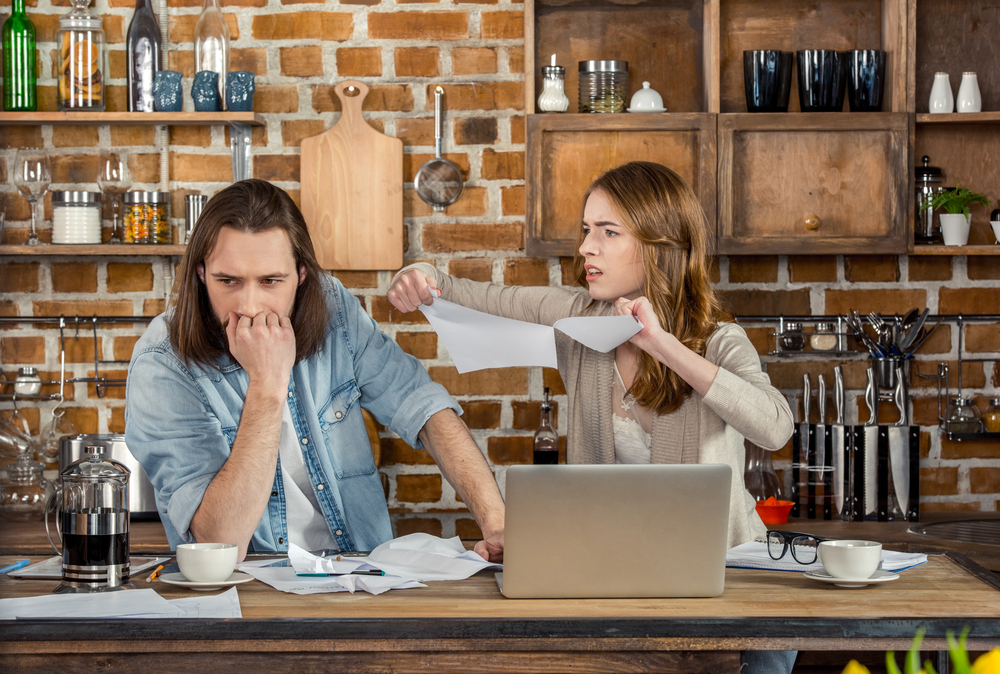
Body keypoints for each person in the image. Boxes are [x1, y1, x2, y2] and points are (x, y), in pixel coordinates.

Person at [388, 161, 795, 674]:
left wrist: (664, 347)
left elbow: (775, 426)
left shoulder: (719, 340)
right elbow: (482, 297)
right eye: (586, 230)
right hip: (616, 583)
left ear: (658, 244)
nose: (586, 247)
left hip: (731, 584)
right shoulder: (581, 322)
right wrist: (420, 277)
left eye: (607, 232)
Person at [125, 179, 504, 564]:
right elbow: (218, 541)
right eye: (229, 281)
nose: (250, 305)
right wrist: (267, 383)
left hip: (357, 576)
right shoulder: (163, 363)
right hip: (245, 595)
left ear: (302, 274)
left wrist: (497, 522)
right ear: (201, 274)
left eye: (271, 281)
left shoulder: (333, 309)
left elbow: (421, 405)